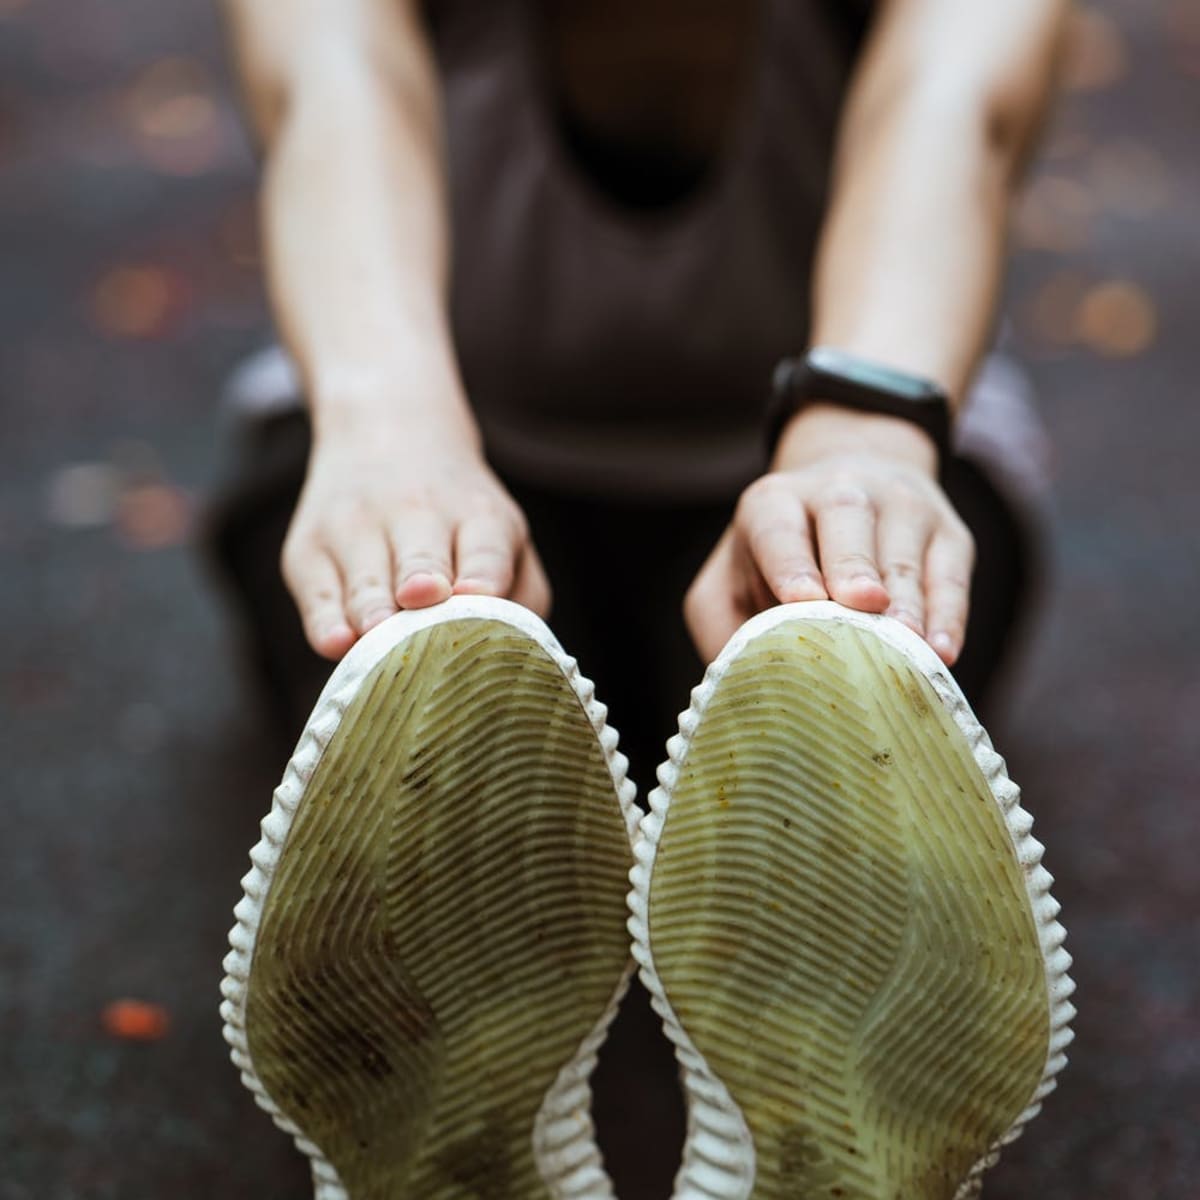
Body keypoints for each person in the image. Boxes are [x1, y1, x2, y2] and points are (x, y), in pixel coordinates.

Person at [210, 1, 1071, 1196]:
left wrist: (867, 436)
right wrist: (387, 423)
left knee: (848, 645)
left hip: (823, 477)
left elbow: (954, 100)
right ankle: (465, 1064)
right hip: (453, 460)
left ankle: (813, 1054)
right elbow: (331, 78)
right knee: (415, 643)